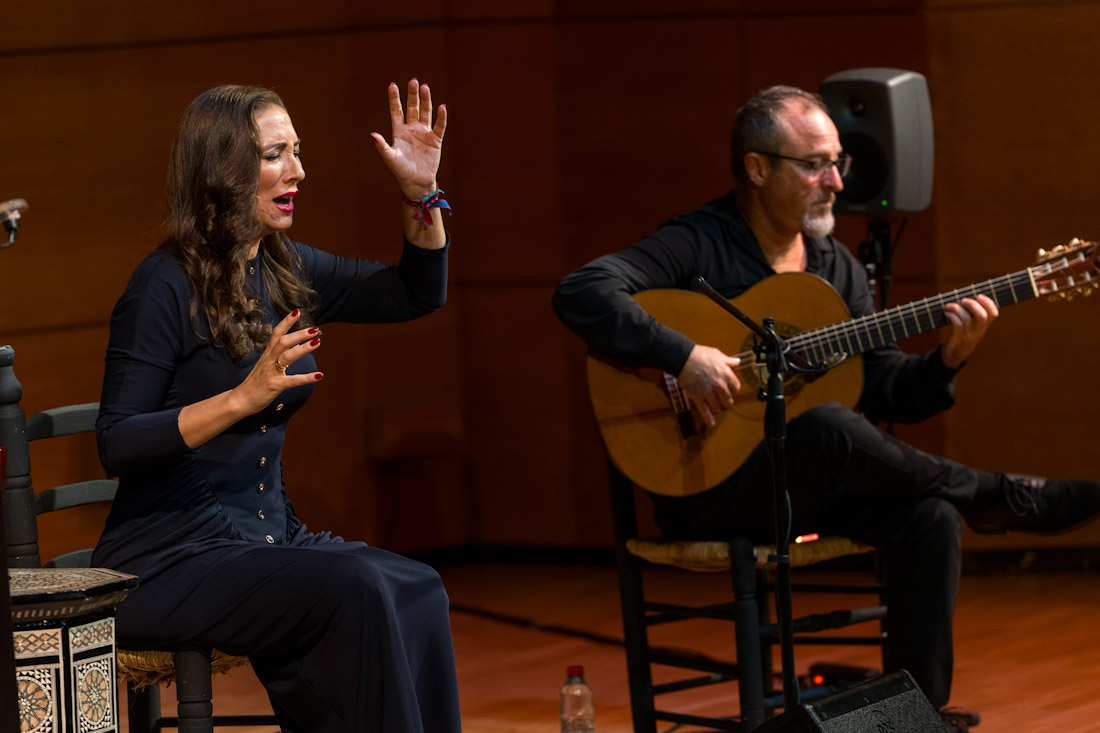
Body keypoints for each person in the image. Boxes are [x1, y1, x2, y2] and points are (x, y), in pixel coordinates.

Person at [552, 85, 1100, 730]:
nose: (836, 180)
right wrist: (683, 356)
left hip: (803, 489)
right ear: (756, 168)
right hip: (708, 487)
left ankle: (911, 717)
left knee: (930, 517)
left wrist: (950, 357)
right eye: (814, 164)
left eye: (837, 162)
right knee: (827, 427)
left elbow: (888, 385)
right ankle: (995, 494)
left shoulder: (835, 263)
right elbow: (583, 291)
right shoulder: (699, 242)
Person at [92, 80, 460, 733]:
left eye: (297, 151)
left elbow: (414, 292)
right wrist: (240, 398)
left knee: (421, 586)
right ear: (225, 171)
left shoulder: (286, 268)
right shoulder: (163, 284)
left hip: (263, 539)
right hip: (168, 558)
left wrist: (418, 195)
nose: (298, 171)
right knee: (356, 589)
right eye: (275, 155)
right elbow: (117, 441)